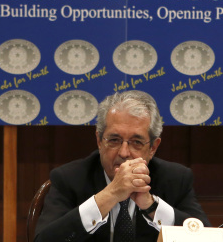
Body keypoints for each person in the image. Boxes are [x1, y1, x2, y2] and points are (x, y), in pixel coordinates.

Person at [34, 90, 209, 241]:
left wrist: (151, 206)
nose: (124, 152)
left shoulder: (175, 179)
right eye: (114, 140)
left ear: (153, 148)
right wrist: (109, 195)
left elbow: (206, 238)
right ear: (99, 141)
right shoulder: (69, 178)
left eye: (136, 142)